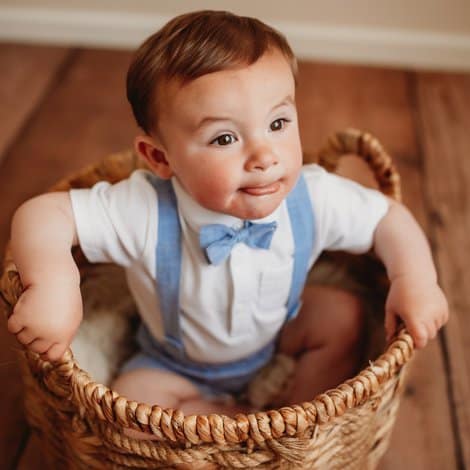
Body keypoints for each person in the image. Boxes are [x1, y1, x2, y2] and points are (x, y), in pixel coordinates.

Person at [8, 11, 448, 419]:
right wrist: (55, 285)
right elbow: (43, 214)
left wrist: (415, 281)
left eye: (278, 124)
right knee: (131, 408)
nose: (263, 155)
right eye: (223, 138)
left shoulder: (313, 196)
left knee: (343, 315)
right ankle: (219, 418)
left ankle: (298, 419)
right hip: (172, 361)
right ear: (160, 157)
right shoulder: (144, 208)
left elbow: (387, 219)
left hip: (278, 336)